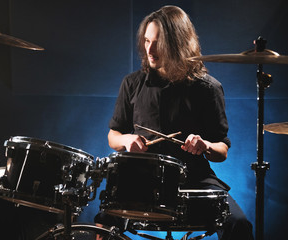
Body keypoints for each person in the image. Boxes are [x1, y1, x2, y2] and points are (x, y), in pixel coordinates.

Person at [95, 5, 254, 240]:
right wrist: (127, 140)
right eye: (147, 41)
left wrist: (206, 146)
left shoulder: (208, 88)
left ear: (178, 44)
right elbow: (113, 135)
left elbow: (222, 150)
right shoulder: (132, 84)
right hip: (142, 181)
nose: (150, 49)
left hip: (195, 180)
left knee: (238, 224)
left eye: (158, 42)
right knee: (103, 222)